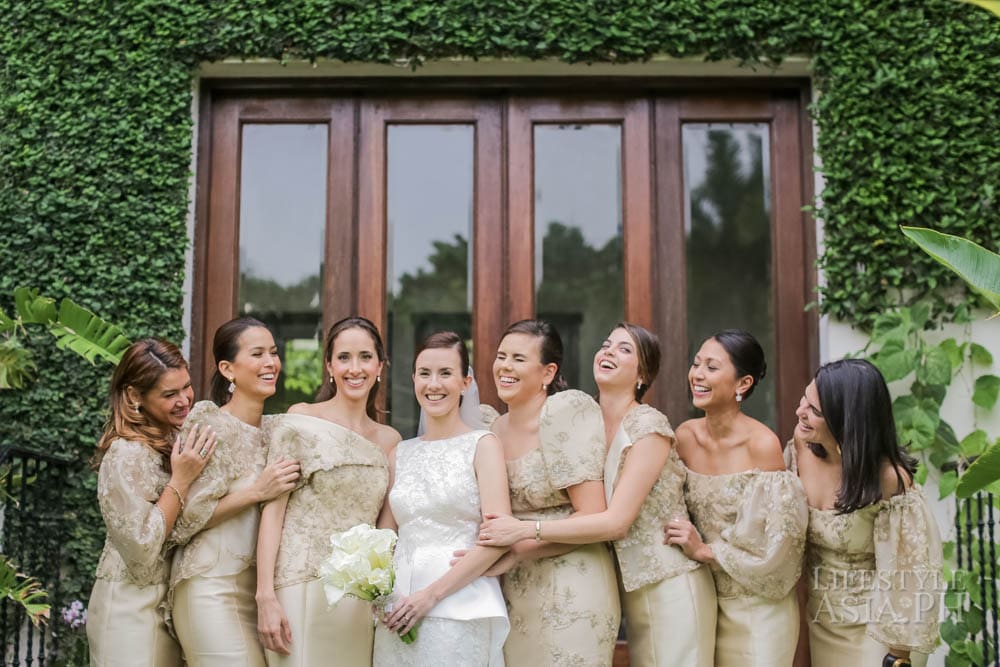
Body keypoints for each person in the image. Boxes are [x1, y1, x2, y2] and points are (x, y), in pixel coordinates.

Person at [478, 322, 716, 666]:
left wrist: (523, 533)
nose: (608, 352)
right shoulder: (580, 418)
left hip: (667, 579)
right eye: (606, 345)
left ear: (642, 374)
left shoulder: (647, 428)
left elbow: (615, 521)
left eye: (624, 349)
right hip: (623, 581)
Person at [256, 316, 398, 665]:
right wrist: (265, 597)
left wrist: (381, 591)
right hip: (299, 585)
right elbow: (273, 512)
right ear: (329, 366)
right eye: (344, 357)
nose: (355, 368)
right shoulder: (301, 419)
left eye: (365, 357)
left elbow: (386, 528)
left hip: (357, 598)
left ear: (380, 366)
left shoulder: (390, 440)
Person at [665, 329, 808, 667]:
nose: (697, 374)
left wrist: (705, 550)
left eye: (712, 367)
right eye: (697, 363)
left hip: (757, 607)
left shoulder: (762, 444)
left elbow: (781, 545)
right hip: (702, 603)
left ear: (742, 384)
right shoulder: (684, 436)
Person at [482, 319, 621, 665]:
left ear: (547, 373)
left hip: (571, 584)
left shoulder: (564, 414)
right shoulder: (488, 428)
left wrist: (524, 540)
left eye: (518, 358)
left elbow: (594, 516)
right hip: (513, 590)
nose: (505, 367)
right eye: (501, 356)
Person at [789, 359, 942, 667]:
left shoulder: (888, 479)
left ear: (848, 419)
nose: (800, 412)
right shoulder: (801, 446)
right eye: (805, 399)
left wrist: (897, 657)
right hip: (819, 619)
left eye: (814, 410)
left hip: (876, 629)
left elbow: (909, 573)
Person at [168, 317, 301, 666]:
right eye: (257, 354)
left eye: (273, 352)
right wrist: (257, 490)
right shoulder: (208, 424)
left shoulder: (277, 430)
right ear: (227, 368)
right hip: (210, 585)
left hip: (259, 591)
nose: (271, 362)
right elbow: (182, 520)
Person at [373, 331, 510, 666]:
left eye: (445, 373)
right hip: (398, 610)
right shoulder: (400, 453)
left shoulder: (483, 445)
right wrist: (379, 593)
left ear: (466, 382)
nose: (433, 384)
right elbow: (383, 539)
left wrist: (430, 595)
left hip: (458, 604)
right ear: (413, 379)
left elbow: (498, 537)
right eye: (425, 374)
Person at [87, 339, 217, 666]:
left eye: (186, 387)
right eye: (169, 394)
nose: (184, 400)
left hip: (168, 608)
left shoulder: (177, 442)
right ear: (134, 396)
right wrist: (181, 480)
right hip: (130, 610)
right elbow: (142, 553)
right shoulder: (124, 455)